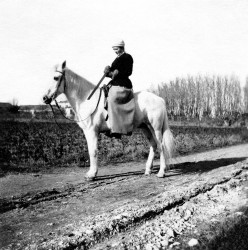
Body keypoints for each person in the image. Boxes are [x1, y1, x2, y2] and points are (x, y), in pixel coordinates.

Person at [104, 40, 135, 138]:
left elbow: (128, 72)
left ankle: (117, 130)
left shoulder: (128, 57)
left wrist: (118, 72)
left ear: (121, 47)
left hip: (123, 84)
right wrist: (108, 72)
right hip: (114, 83)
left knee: (112, 99)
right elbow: (112, 75)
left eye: (116, 49)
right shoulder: (116, 60)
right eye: (114, 50)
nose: (115, 51)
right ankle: (109, 124)